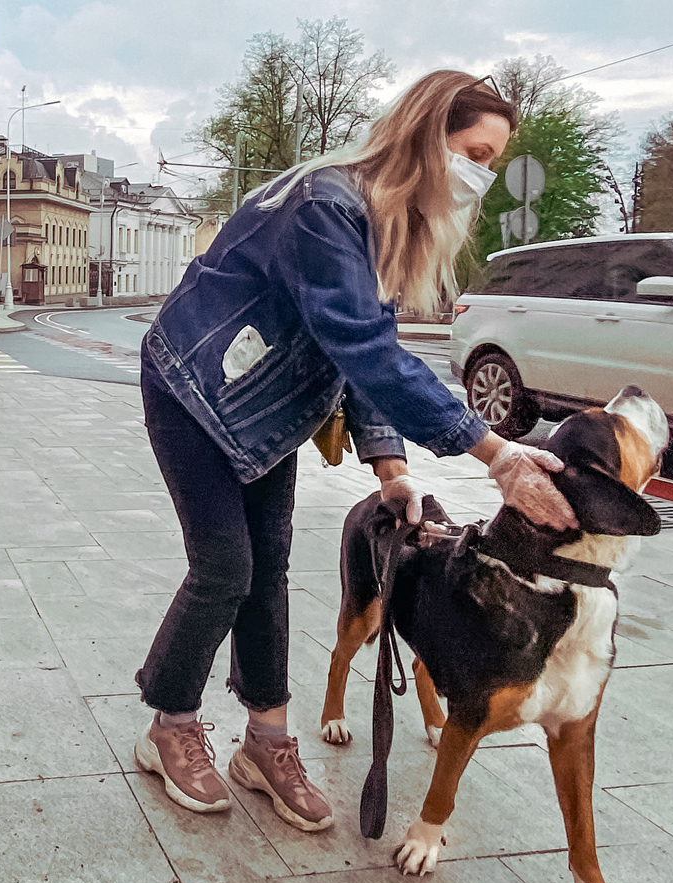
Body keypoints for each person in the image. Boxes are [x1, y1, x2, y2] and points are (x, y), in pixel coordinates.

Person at [133, 70, 579, 833]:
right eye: (475, 151)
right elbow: (368, 354)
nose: (482, 173)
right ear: (425, 135)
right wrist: (495, 453)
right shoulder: (326, 206)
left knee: (266, 566)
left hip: (260, 406)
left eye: (494, 161)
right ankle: (171, 723)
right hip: (191, 387)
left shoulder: (378, 222)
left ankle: (265, 741)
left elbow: (364, 354)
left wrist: (393, 471)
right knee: (225, 566)